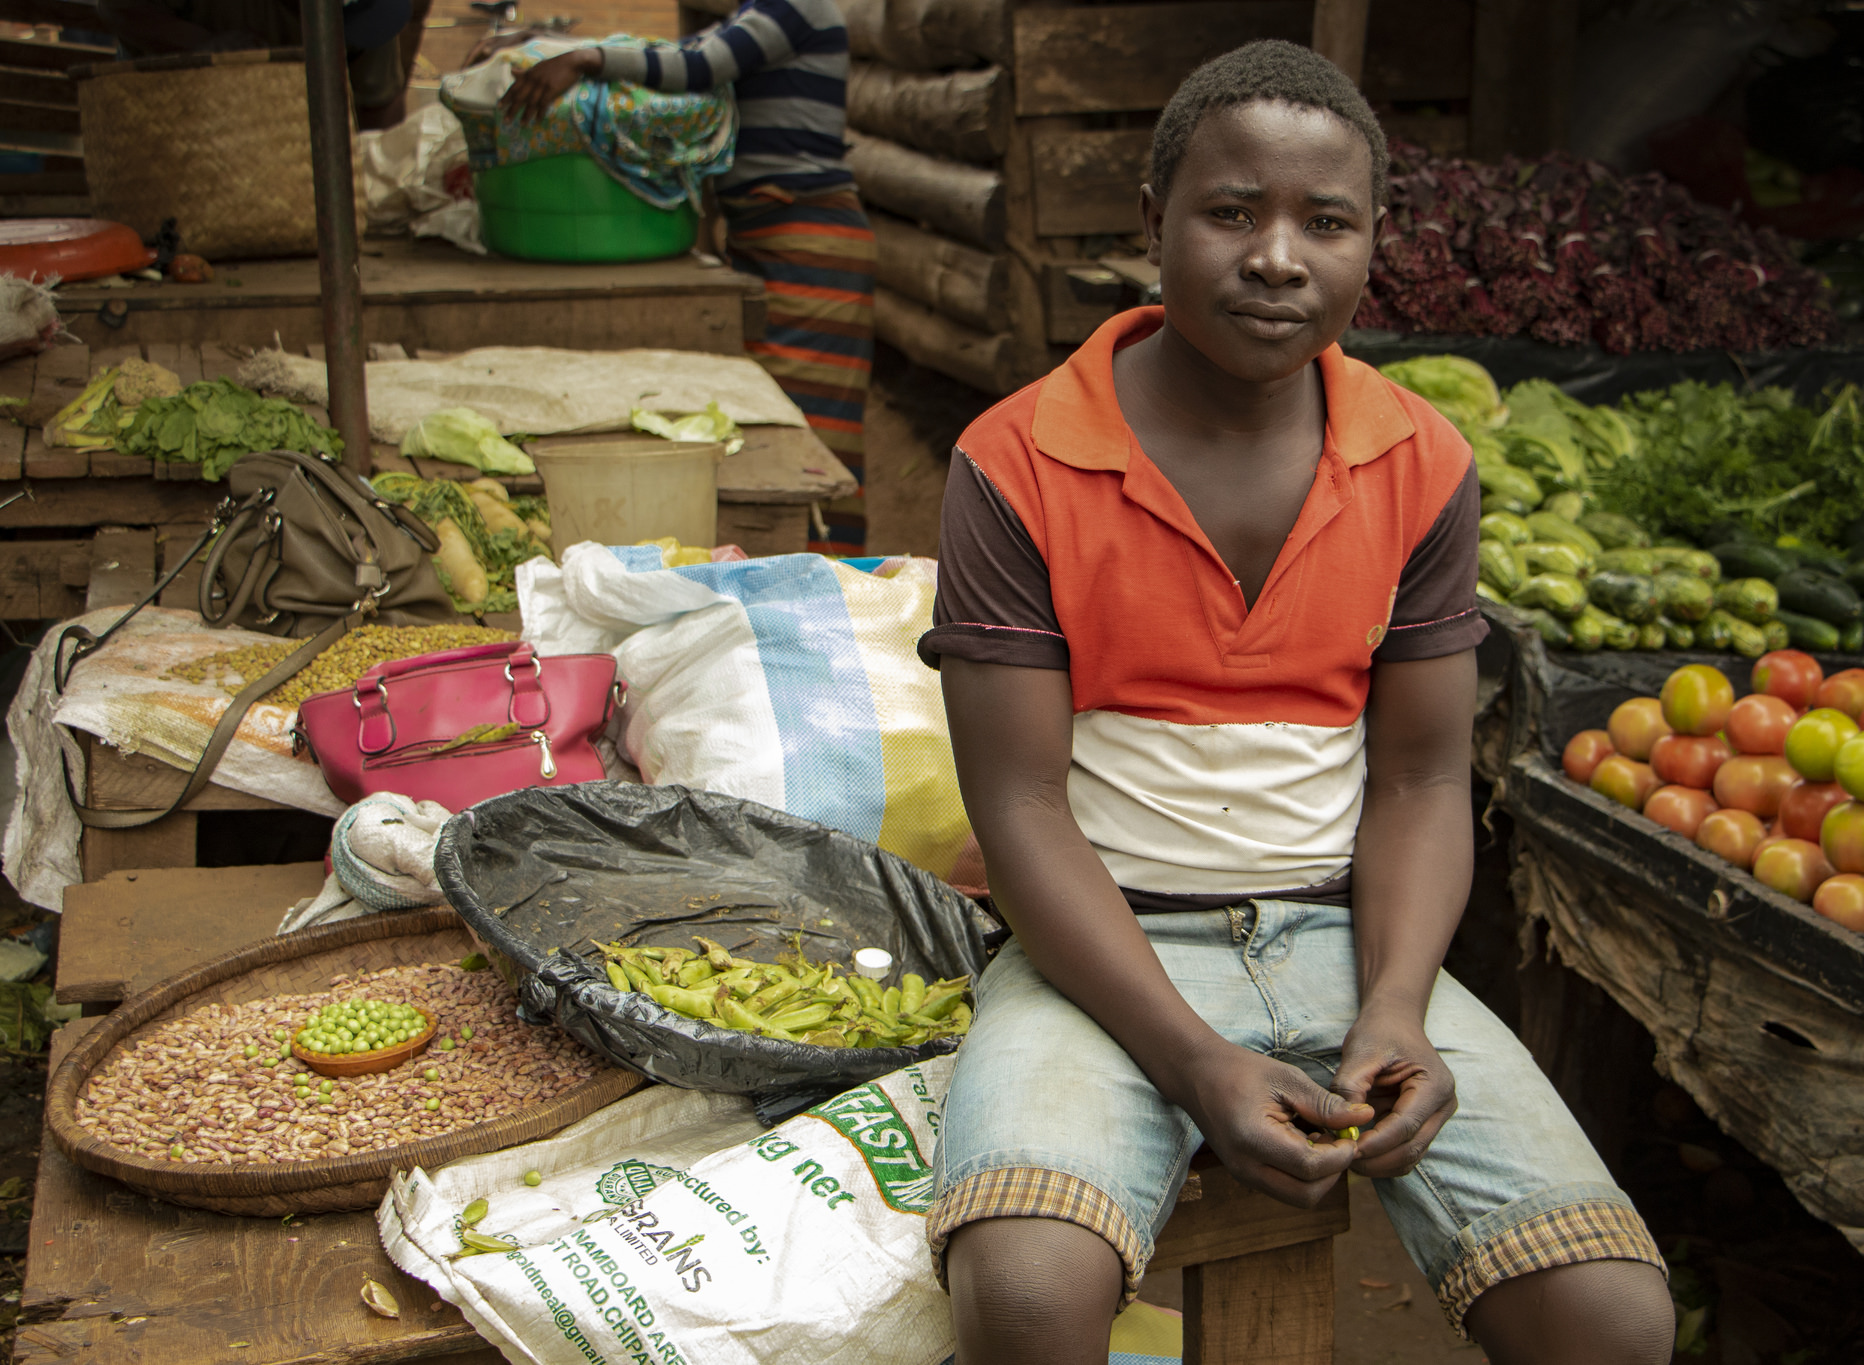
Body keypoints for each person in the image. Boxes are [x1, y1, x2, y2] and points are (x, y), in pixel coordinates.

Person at [916, 40, 1676, 1365]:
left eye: (1327, 222)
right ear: (1152, 225)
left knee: (1610, 1317)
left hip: (1344, 939)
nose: (1279, 256)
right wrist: (1191, 1057)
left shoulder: (1420, 459)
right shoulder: (1020, 458)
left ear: (1371, 243)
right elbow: (1024, 803)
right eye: (1231, 212)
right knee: (1028, 1294)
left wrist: (1396, 1011)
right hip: (1097, 955)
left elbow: (1427, 781)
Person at [502, 0, 875, 554]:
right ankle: (794, 571)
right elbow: (685, 54)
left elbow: (701, 67)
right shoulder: (753, 13)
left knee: (813, 433)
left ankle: (835, 580)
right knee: (779, 419)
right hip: (767, 237)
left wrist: (585, 59)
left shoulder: (797, 6)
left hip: (811, 241)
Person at [94, 0, 427, 129]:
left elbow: (379, 111)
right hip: (181, 146)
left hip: (296, 188)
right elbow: (118, 9)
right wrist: (202, 46)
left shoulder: (366, 16)